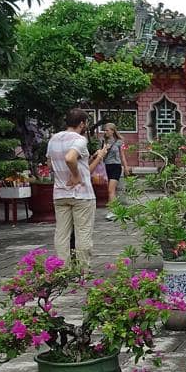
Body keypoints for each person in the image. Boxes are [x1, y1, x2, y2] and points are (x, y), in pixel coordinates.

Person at [46, 109, 108, 268]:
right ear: (82, 123)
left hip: (60, 193)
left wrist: (95, 157)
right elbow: (70, 158)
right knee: (83, 233)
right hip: (82, 195)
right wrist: (75, 175)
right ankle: (83, 270)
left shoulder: (53, 139)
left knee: (61, 234)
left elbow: (50, 164)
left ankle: (62, 269)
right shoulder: (79, 140)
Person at [101, 123, 129, 220]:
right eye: (104, 130)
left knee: (111, 190)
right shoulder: (104, 141)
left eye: (107, 130)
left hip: (116, 166)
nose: (106, 132)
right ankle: (114, 210)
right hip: (106, 167)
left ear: (113, 131)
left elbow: (122, 155)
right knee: (110, 190)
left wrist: (125, 167)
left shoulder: (119, 142)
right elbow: (102, 156)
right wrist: (105, 149)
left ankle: (112, 212)